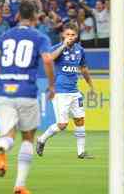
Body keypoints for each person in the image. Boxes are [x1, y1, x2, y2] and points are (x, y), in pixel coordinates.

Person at [0, 0, 54, 194]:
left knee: (8, 135)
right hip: (27, 92)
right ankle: (20, 186)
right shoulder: (39, 37)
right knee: (28, 137)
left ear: (17, 16)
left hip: (4, 92)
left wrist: (3, 75)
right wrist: (52, 85)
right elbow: (47, 59)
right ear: (35, 17)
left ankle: (1, 150)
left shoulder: (5, 36)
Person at [36, 22, 94, 159]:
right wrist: (63, 46)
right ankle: (41, 139)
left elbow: (84, 69)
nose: (70, 37)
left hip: (74, 91)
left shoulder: (80, 50)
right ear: (63, 35)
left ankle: (81, 152)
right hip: (60, 92)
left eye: (73, 35)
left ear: (77, 36)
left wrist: (91, 85)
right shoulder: (57, 48)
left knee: (80, 120)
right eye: (68, 34)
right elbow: (50, 59)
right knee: (62, 125)